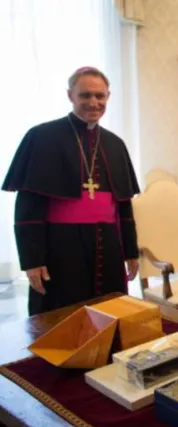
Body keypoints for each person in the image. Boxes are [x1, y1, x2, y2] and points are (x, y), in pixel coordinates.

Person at [2, 67, 140, 316]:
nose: (93, 103)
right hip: (61, 248)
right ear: (70, 95)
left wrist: (130, 251)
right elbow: (28, 206)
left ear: (108, 96)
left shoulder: (114, 144)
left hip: (107, 245)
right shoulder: (41, 137)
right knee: (62, 318)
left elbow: (124, 205)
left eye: (100, 96)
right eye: (85, 95)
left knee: (110, 313)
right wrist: (32, 259)